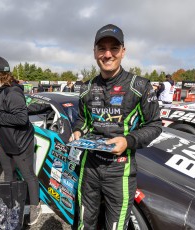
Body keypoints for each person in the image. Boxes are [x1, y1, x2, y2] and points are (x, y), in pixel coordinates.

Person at [70, 24, 162, 229]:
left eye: (114, 48)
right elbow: (82, 120)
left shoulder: (139, 86)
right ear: (94, 53)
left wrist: (128, 141)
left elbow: (155, 125)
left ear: (123, 52)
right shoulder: (86, 88)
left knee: (115, 227)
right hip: (89, 167)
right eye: (102, 48)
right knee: (84, 223)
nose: (108, 54)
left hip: (120, 170)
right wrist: (77, 131)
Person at [0, 57, 41, 225]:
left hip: (20, 143)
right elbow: (2, 113)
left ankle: (35, 206)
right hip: (5, 141)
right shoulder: (0, 90)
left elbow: (21, 119)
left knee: (28, 175)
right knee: (8, 174)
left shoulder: (13, 92)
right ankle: (11, 204)